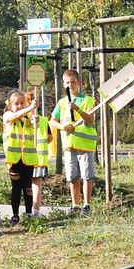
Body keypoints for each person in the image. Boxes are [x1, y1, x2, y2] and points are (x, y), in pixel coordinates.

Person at [48, 69, 98, 214]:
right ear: (64, 84)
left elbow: (90, 120)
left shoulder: (88, 100)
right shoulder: (62, 103)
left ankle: (87, 205)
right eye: (68, 83)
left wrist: (78, 109)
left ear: (79, 83)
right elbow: (53, 121)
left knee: (87, 175)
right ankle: (75, 205)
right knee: (72, 176)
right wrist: (63, 127)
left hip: (85, 145)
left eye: (73, 82)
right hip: (69, 145)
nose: (71, 85)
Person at [3, 90, 37, 224]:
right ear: (10, 105)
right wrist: (29, 108)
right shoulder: (8, 115)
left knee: (28, 187)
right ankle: (15, 214)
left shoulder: (28, 117)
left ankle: (29, 213)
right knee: (16, 187)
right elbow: (13, 117)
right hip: (14, 158)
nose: (19, 105)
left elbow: (37, 127)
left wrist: (35, 119)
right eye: (16, 103)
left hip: (28, 159)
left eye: (22, 103)